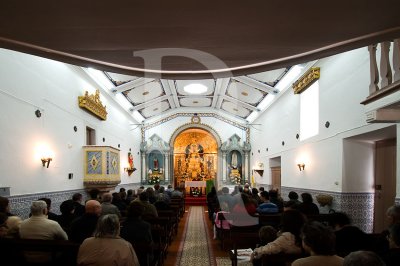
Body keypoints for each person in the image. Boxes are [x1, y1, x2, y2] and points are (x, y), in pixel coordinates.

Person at [120, 201, 153, 266]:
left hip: (124, 255)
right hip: (141, 256)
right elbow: (149, 242)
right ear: (141, 212)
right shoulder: (146, 225)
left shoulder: (122, 224)